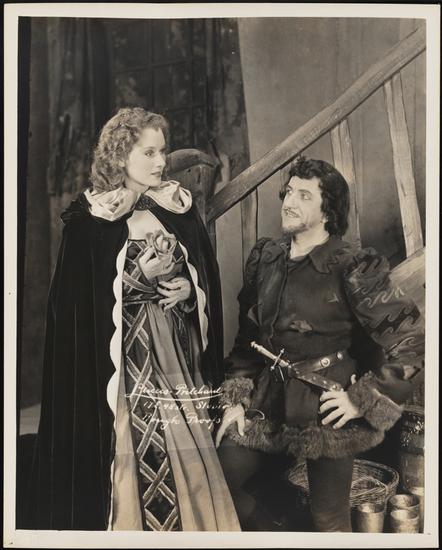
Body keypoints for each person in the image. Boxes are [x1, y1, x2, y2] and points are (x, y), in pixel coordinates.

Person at [25, 107, 240, 531]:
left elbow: (203, 271)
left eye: (162, 151)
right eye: (149, 153)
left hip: (174, 354)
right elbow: (76, 303)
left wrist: (188, 288)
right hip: (121, 364)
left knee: (187, 447)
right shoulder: (91, 217)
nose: (161, 162)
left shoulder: (175, 205)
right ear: (121, 156)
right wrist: (137, 278)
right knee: (128, 449)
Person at [215, 156, 424, 532]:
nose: (289, 201)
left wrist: (360, 399)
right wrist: (235, 401)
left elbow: (412, 342)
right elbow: (248, 342)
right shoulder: (267, 259)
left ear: (329, 211)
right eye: (289, 192)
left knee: (329, 520)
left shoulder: (354, 266)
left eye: (304, 195)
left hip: (327, 408)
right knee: (218, 481)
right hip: (268, 401)